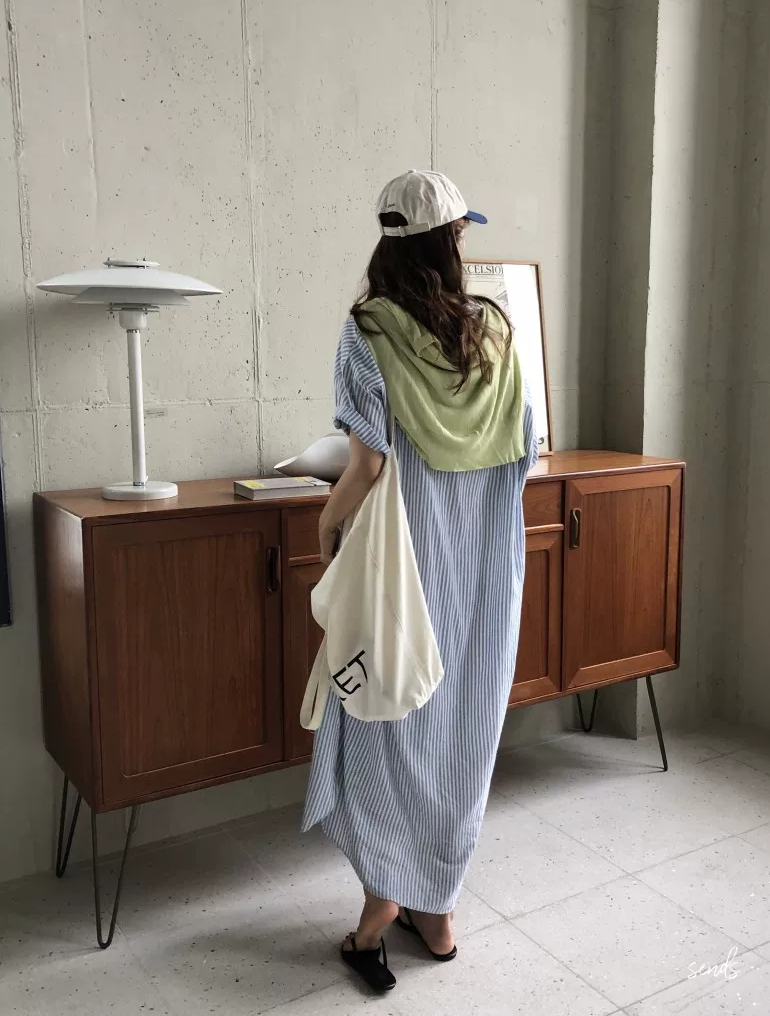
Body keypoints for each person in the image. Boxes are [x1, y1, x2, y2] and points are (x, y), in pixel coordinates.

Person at [301, 170, 537, 992]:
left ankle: (380, 910)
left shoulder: (367, 332)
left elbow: (366, 465)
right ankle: (438, 913)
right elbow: (525, 450)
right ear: (452, 240)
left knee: (388, 719)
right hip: (487, 567)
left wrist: (326, 524)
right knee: (464, 725)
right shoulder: (496, 330)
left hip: (404, 568)